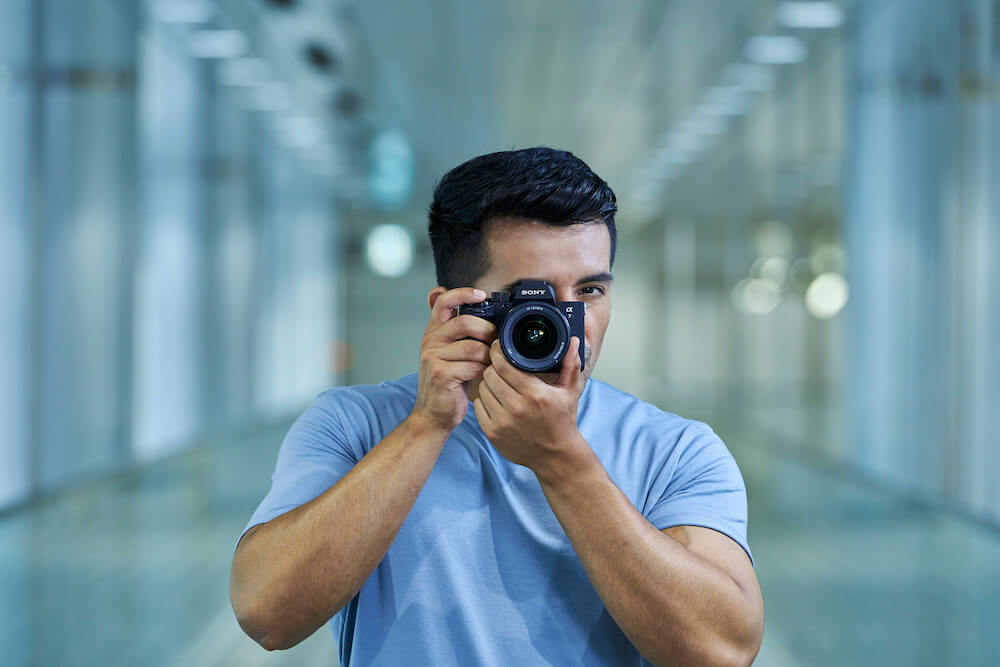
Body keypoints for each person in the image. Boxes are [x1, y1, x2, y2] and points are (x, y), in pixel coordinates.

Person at [230, 147, 764, 666]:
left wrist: (563, 462)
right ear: (452, 307)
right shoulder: (354, 426)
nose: (566, 319)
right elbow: (268, 616)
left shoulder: (674, 450)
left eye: (591, 290)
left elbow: (722, 652)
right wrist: (426, 426)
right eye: (532, 297)